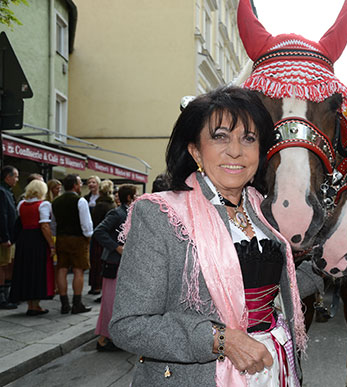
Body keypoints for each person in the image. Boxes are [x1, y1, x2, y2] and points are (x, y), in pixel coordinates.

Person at [109, 86, 323, 386]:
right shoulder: (161, 215)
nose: (235, 150)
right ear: (195, 149)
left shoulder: (264, 210)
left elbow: (264, 291)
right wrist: (221, 340)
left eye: (248, 138)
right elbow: (128, 325)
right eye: (220, 136)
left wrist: (324, 268)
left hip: (273, 368)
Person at [93, 184, 137, 352]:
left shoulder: (130, 212)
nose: (138, 196)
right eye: (135, 194)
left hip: (123, 264)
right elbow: (99, 231)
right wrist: (116, 247)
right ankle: (103, 339)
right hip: (113, 263)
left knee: (118, 303)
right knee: (110, 303)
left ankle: (110, 337)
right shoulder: (117, 213)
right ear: (129, 197)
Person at [8, 180, 55, 315]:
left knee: (26, 270)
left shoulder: (21, 204)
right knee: (38, 270)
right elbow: (44, 226)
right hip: (37, 240)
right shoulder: (43, 205)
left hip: (24, 240)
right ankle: (36, 304)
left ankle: (30, 304)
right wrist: (51, 244)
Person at [52, 174, 94, 314]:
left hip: (61, 237)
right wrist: (88, 237)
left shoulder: (56, 201)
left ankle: (64, 304)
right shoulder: (80, 201)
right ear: (75, 185)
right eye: (79, 183)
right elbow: (86, 224)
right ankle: (77, 303)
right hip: (77, 239)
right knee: (78, 270)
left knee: (62, 269)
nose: (81, 185)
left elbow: (53, 223)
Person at [89, 180, 116, 296]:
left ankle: (96, 286)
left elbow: (94, 223)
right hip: (108, 238)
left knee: (96, 262)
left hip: (99, 239)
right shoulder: (112, 205)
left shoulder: (100, 205)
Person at [0, 165, 19, 309]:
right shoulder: (2, 191)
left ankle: (6, 295)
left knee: (7, 264)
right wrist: (4, 237)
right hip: (4, 238)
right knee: (2, 265)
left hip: (10, 237)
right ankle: (2, 297)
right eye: (16, 176)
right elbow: (2, 215)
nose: (17, 179)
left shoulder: (7, 191)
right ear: (8, 177)